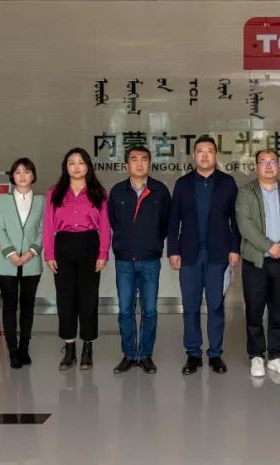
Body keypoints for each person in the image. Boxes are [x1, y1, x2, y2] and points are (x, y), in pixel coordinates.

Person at [168, 135, 241, 375]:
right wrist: (173, 250)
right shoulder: (183, 184)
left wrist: (235, 248)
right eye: (200, 151)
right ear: (193, 156)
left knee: (216, 306)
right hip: (189, 254)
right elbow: (173, 220)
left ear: (215, 155)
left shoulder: (228, 183)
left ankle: (215, 354)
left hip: (218, 254)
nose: (205, 155)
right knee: (190, 306)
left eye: (209, 151)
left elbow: (236, 220)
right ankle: (193, 354)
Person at [236, 149, 280, 378]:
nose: (268, 166)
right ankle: (256, 355)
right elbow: (245, 225)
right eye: (263, 162)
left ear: (279, 166)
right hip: (255, 261)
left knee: (279, 310)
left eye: (272, 162)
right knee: (254, 310)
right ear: (256, 166)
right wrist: (268, 246)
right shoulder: (246, 192)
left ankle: (276, 356)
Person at [43, 147, 110, 371]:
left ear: (88, 166)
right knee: (65, 299)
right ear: (66, 167)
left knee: (88, 299)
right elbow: (48, 224)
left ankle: (88, 347)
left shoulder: (98, 192)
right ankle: (69, 347)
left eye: (81, 163)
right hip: (63, 244)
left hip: (90, 244)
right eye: (71, 163)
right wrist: (49, 253)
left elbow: (105, 225)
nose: (76, 167)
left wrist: (103, 252)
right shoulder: (55, 192)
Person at [108, 146, 170, 375]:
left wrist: (152, 243)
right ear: (127, 165)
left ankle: (145, 355)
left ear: (150, 163)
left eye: (144, 159)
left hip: (150, 260)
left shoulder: (160, 191)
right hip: (124, 260)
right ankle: (128, 354)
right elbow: (113, 221)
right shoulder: (117, 191)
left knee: (150, 310)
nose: (139, 163)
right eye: (134, 159)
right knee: (125, 310)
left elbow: (166, 223)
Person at [0, 158, 44, 370]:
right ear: (12, 177)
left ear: (33, 175)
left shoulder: (41, 201)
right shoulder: (2, 200)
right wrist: (12, 253)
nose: (22, 176)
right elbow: (0, 228)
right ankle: (12, 349)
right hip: (7, 262)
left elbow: (43, 229)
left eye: (27, 171)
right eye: (18, 172)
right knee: (9, 306)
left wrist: (31, 252)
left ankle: (24, 347)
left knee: (28, 306)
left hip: (32, 262)